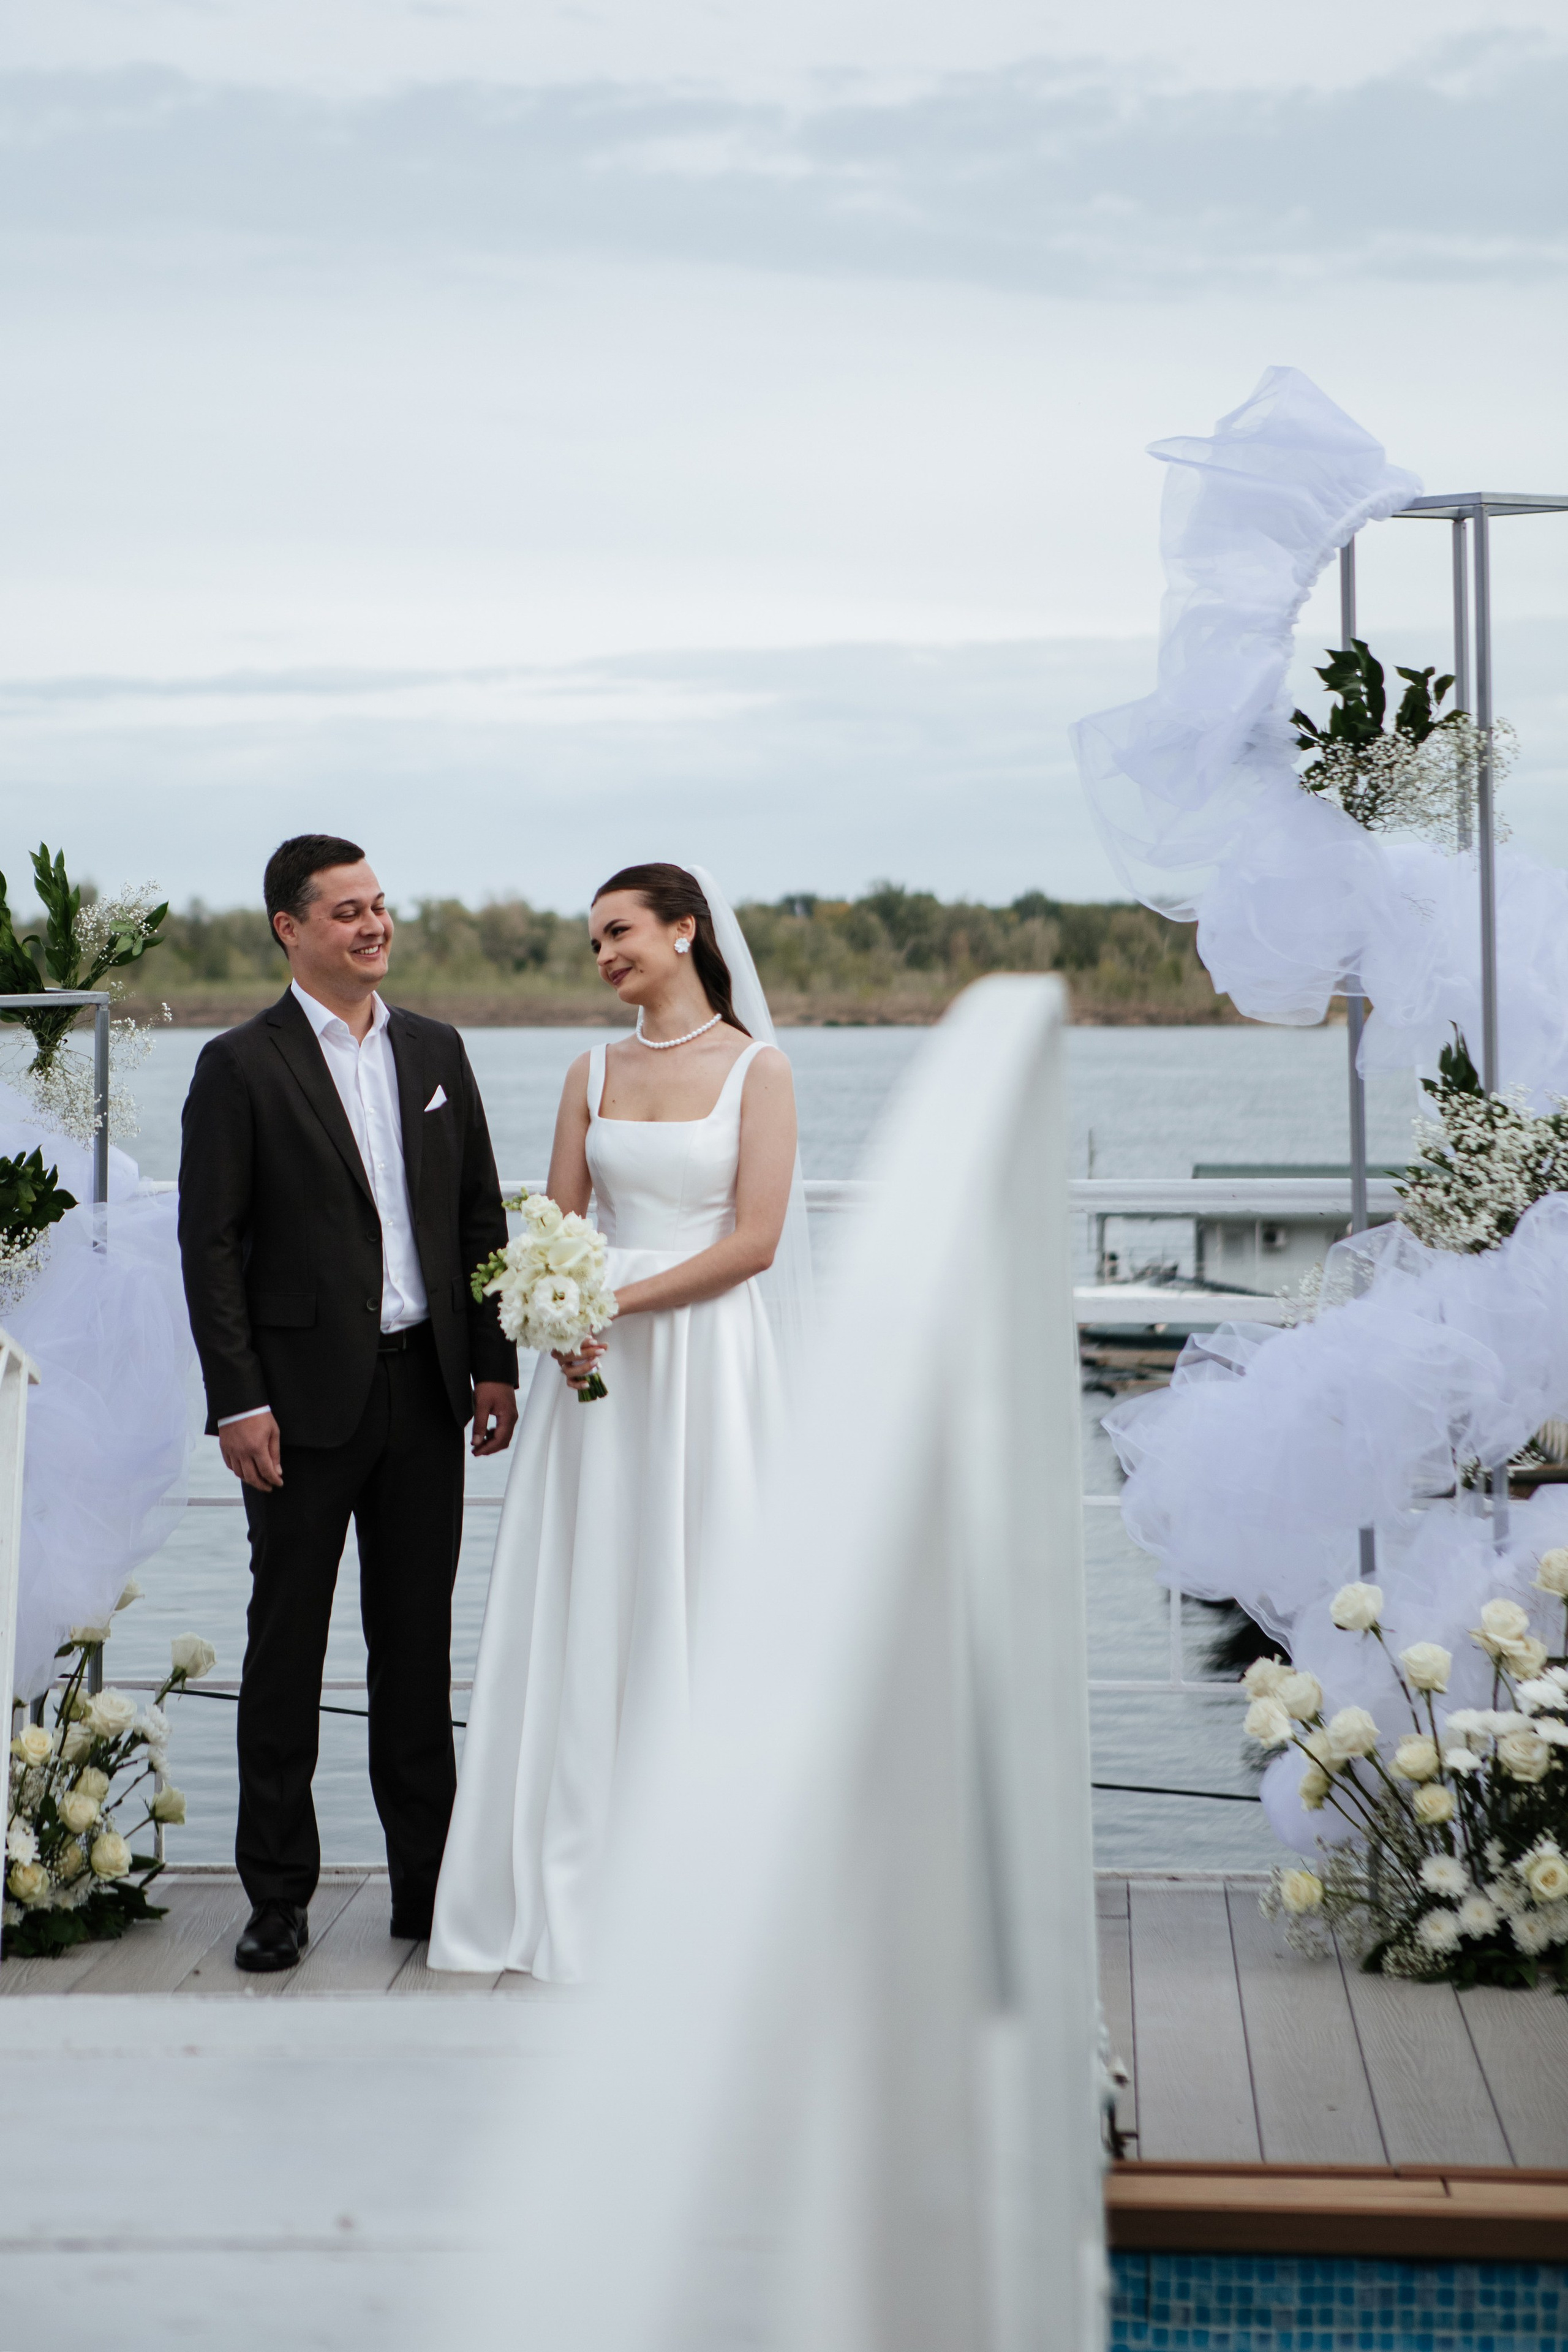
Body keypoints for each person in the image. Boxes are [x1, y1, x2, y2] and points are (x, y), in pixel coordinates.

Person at [429, 862, 809, 1980]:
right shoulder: (588, 1069)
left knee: (700, 1580)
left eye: (621, 932)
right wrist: (554, 1313)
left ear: (686, 931)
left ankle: (704, 1874)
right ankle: (562, 1870)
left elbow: (755, 1242)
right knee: (588, 1595)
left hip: (703, 1360)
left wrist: (613, 1301)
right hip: (593, 1377)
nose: (606, 957)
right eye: (594, 943)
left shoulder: (759, 1070)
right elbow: (552, 1220)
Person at [178, 834, 518, 1973]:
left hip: (426, 1392)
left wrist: (495, 1364)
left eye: (380, 907)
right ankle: (277, 1898)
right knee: (287, 1652)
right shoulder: (240, 1065)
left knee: (416, 1654)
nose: (373, 927)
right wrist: (238, 1403)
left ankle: (429, 1892)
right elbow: (210, 1248)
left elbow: (479, 1218)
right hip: (297, 1410)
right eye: (346, 912)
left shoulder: (437, 1050)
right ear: (290, 927)